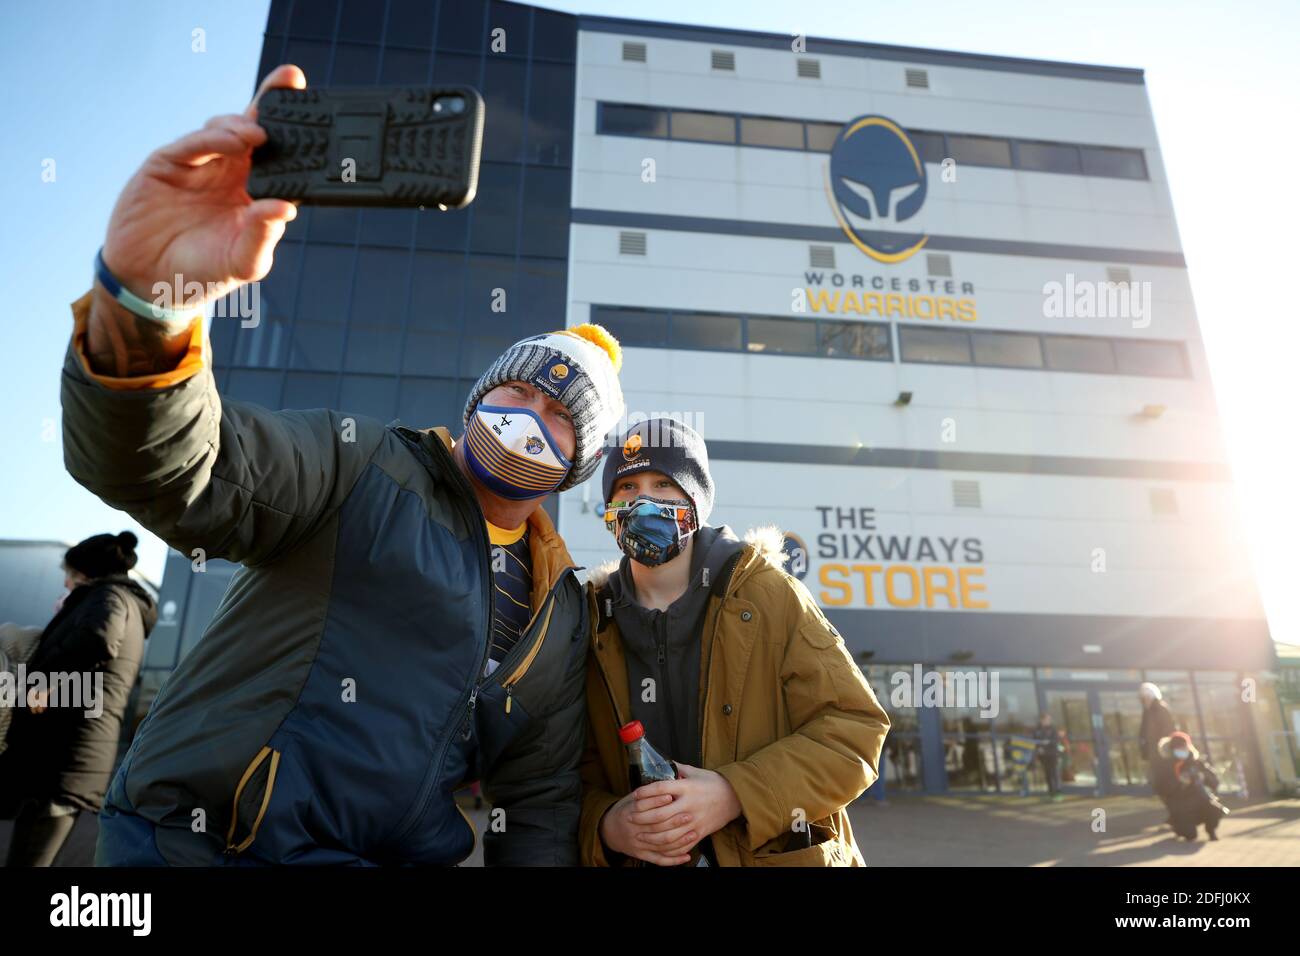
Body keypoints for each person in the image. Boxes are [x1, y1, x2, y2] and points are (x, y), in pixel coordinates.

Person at [59, 64, 625, 866]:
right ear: (479, 395)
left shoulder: (558, 608)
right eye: (519, 391)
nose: (530, 420)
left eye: (563, 419)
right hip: (203, 847)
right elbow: (178, 470)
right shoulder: (358, 463)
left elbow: (538, 796)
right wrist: (147, 306)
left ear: (576, 467)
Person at [578, 418, 890, 866]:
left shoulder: (769, 595)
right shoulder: (589, 620)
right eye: (627, 487)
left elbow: (854, 731)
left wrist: (734, 793)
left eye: (663, 484)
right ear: (608, 508)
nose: (644, 499)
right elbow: (561, 770)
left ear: (695, 501)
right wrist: (607, 825)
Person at [1, 533, 156, 866]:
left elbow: (97, 640)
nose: (67, 582)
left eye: (69, 574)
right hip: (62, 758)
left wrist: (45, 685)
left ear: (87, 572)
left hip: (63, 759)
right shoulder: (114, 599)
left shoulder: (109, 597)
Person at [1152, 731, 1229, 841]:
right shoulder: (1166, 766)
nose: (1182, 750)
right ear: (1172, 749)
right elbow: (1160, 787)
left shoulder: (1197, 762)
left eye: (1183, 747)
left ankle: (1211, 831)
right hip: (1180, 804)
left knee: (1215, 810)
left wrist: (1204, 777)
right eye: (1178, 748)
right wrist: (1179, 782)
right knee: (1190, 835)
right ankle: (1176, 824)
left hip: (1201, 800)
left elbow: (1214, 781)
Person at [1138, 681, 1176, 803]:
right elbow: (1144, 730)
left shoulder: (1161, 710)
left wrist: (1164, 746)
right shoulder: (1147, 712)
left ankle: (1169, 794)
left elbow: (1168, 729)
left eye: (1147, 698)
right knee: (1157, 773)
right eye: (1144, 699)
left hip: (1161, 749)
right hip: (1152, 749)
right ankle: (1164, 794)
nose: (1145, 701)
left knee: (1164, 771)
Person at [1033, 712, 1063, 799]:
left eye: (1049, 719)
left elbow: (1056, 741)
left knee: (1055, 773)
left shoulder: (1053, 729)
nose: (1048, 721)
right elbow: (1035, 741)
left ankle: (1058, 793)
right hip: (1043, 756)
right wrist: (1038, 748)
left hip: (1053, 755)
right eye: (1046, 719)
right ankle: (1051, 793)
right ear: (1042, 720)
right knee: (1048, 774)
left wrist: (1048, 742)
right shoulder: (1037, 730)